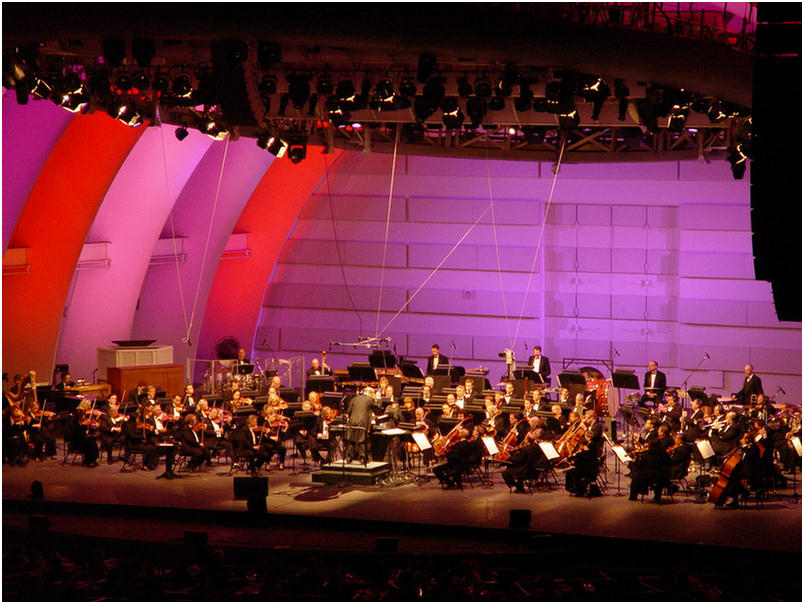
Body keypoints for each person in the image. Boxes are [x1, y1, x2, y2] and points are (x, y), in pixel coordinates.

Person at [346, 387, 382, 464]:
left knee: (351, 439)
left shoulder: (355, 399)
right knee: (361, 440)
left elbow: (349, 411)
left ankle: (349, 458)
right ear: (370, 393)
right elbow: (378, 406)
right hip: (362, 422)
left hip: (352, 421)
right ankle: (362, 458)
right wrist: (378, 398)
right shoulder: (369, 400)